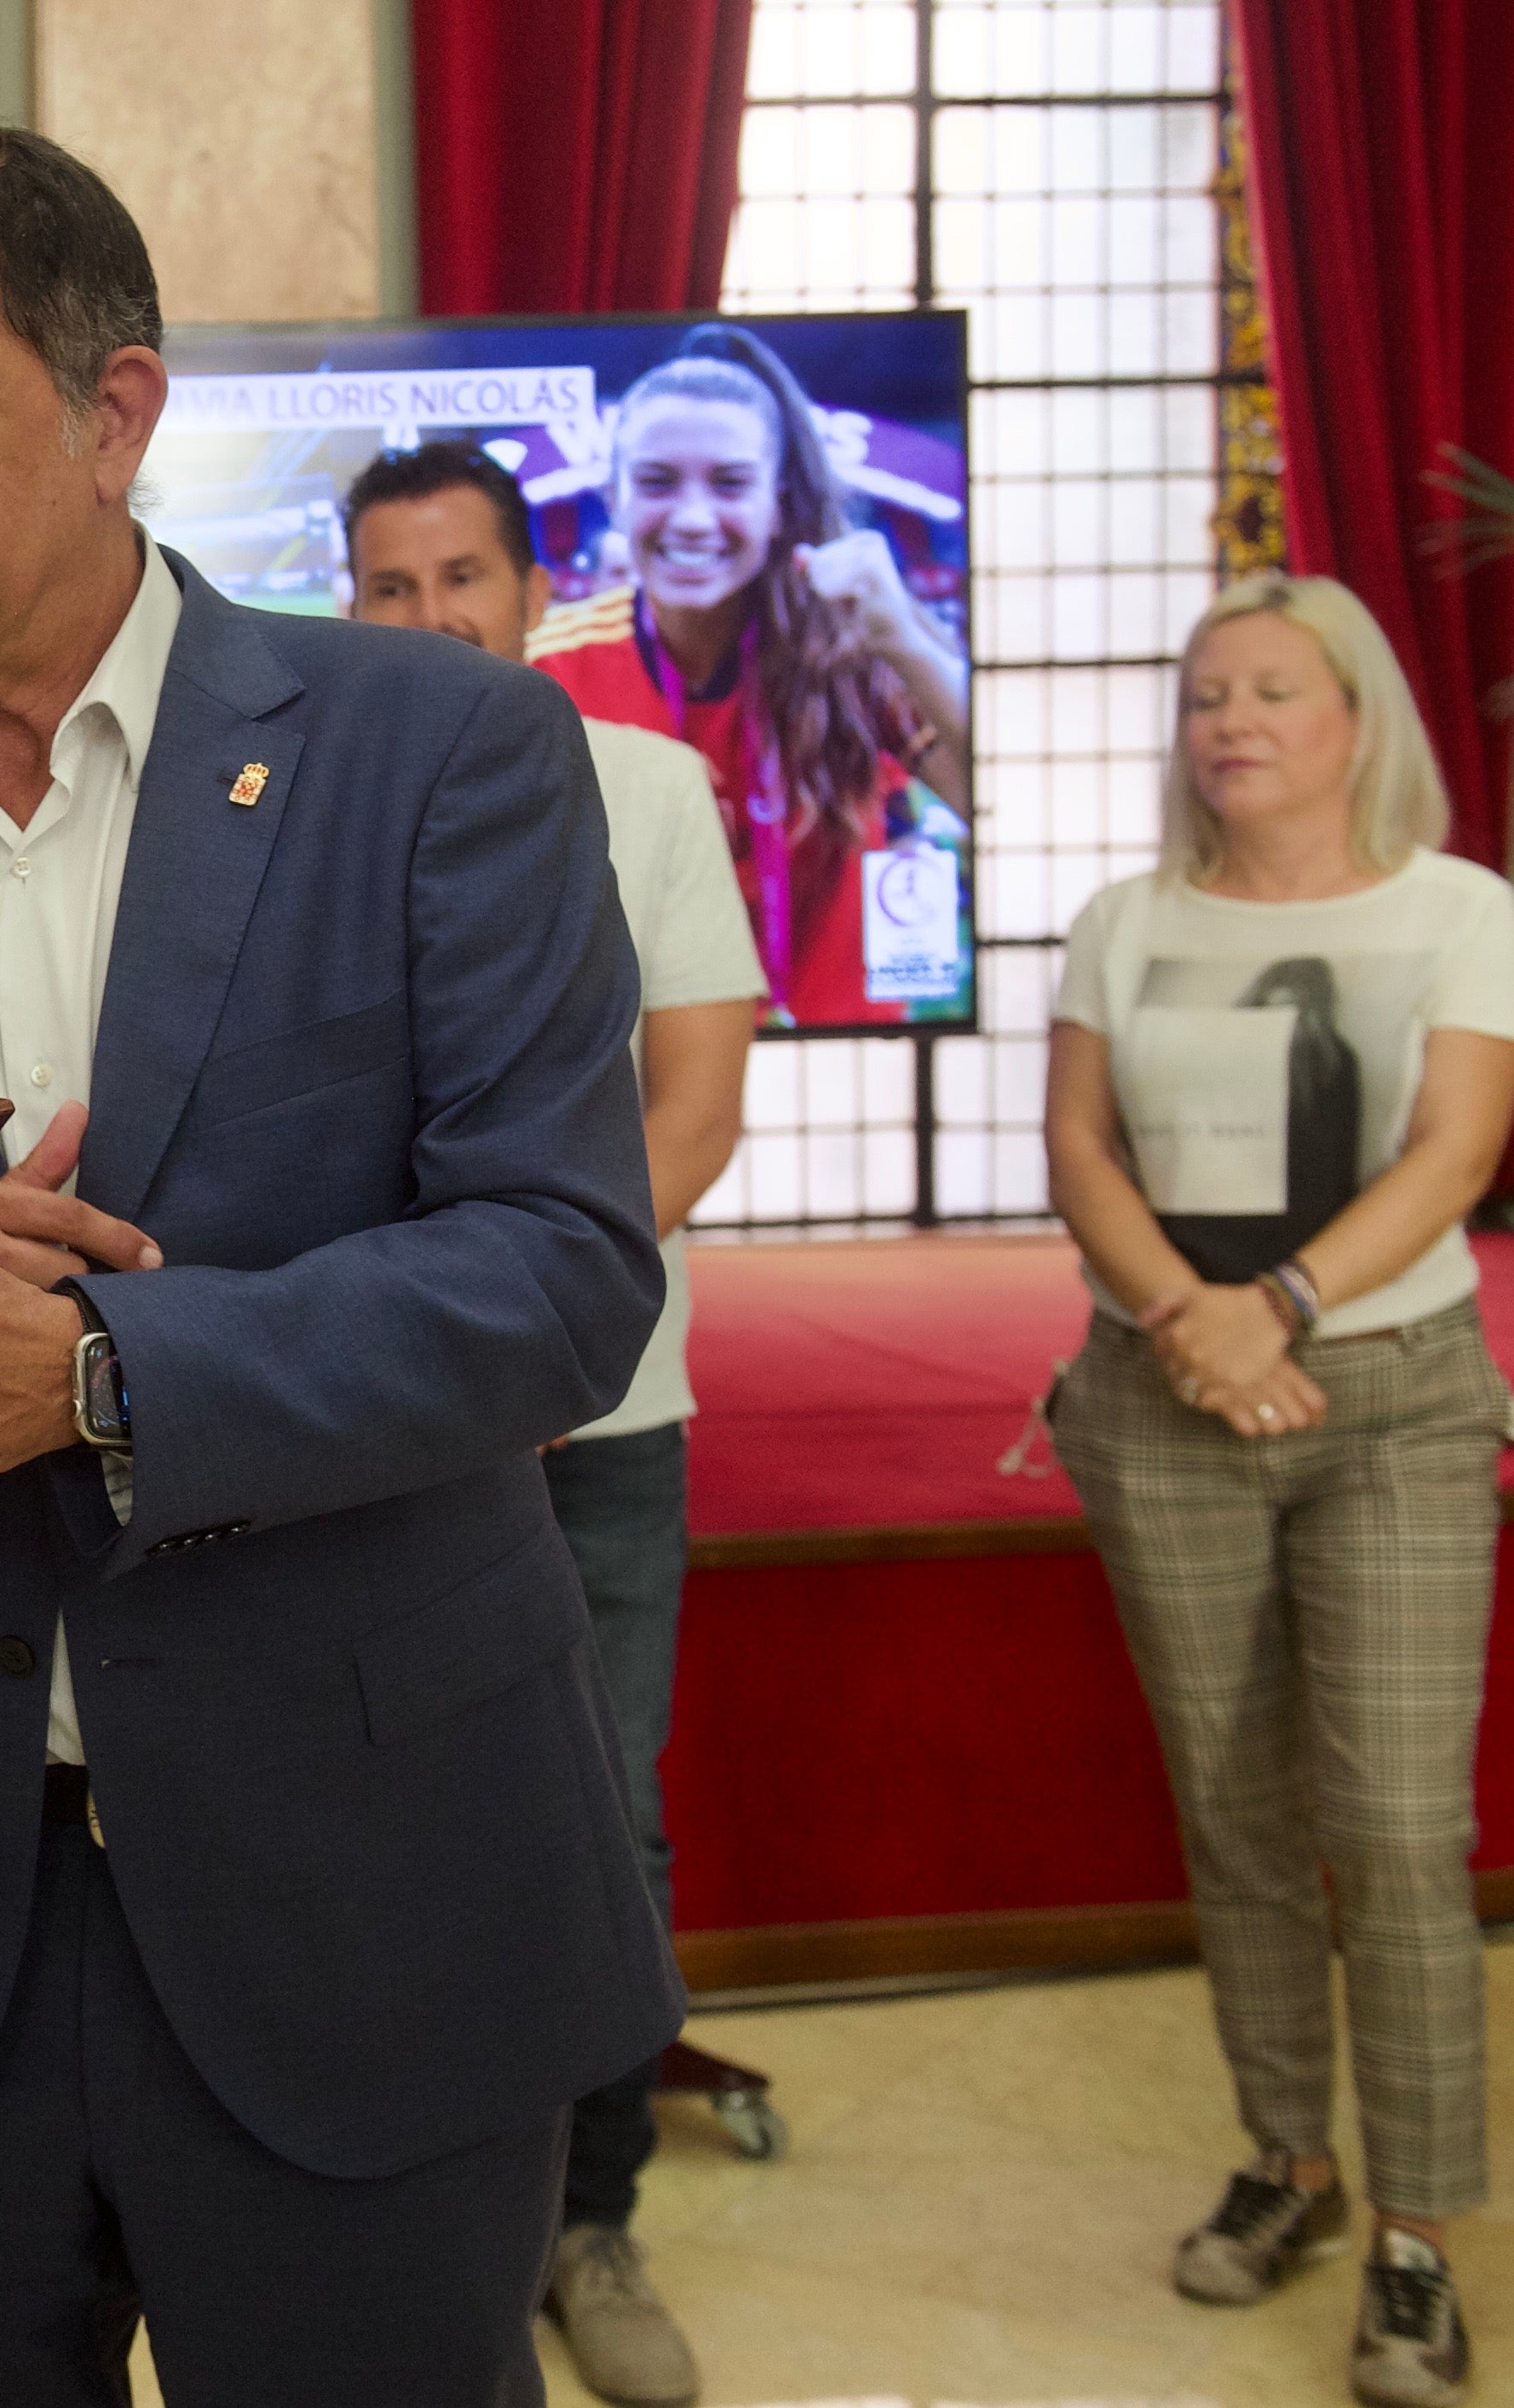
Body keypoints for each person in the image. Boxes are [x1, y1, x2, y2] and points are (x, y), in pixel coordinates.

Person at [0, 120, 682, 2404]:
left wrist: (90, 1369)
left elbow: (563, 1269)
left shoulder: (440, 752)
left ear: (116, 411)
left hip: (363, 1916)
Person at [1044, 575, 1514, 2408]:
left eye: (1268, 691)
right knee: (1233, 1812)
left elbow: (1457, 1143)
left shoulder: (1456, 908)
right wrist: (1185, 1318)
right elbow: (1076, 1143)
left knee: (1393, 1828)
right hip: (1160, 1392)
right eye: (1202, 694)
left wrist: (1279, 1310)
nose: (1226, 720)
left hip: (1385, 1396)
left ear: (1351, 720)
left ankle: (1414, 2237)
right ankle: (1285, 2166)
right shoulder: (1120, 920)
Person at [348, 440, 762, 2408]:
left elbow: (686, 1101)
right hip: (359, 1416)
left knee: (601, 1811)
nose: (427, 618)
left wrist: (512, 1334)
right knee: (376, 1822)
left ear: (533, 594)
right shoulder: (296, 803)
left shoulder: (646, 790)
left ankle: (590, 2212)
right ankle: (413, 2199)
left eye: (458, 578)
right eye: (386, 584)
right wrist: (416, 1356)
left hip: (592, 1412)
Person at [533, 324, 970, 1029]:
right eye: (656, 481)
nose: (694, 517)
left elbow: (1000, 796)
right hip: (643, 1080)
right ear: (613, 500)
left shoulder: (851, 647)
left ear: (780, 504)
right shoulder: (548, 669)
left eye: (732, 483)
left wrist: (904, 641)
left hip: (844, 1059)